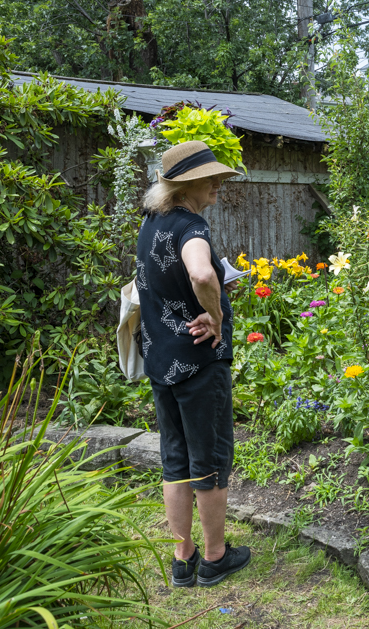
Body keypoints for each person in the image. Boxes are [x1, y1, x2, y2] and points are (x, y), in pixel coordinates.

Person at [136, 140, 251, 588]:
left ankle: (183, 558)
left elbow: (159, 278)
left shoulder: (152, 222)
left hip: (162, 360)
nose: (219, 184)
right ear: (191, 184)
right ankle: (216, 557)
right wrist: (216, 315)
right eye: (213, 178)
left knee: (175, 460)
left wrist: (196, 300)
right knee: (210, 460)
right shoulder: (192, 228)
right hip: (199, 364)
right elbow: (201, 273)